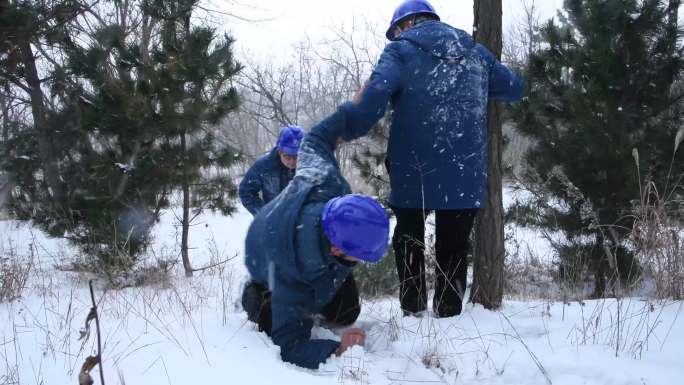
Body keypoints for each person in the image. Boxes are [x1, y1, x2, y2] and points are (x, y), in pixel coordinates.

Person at [338, 0, 524, 317]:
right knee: (453, 246)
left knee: (409, 239)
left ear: (406, 24)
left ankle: (412, 310)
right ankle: (448, 312)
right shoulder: (476, 51)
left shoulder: (400, 51)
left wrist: (344, 128)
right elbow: (513, 87)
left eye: (395, 30)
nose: (396, 36)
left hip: (413, 168)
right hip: (465, 171)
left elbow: (374, 97)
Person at [241, 111, 390, 369]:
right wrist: (338, 349)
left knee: (345, 312)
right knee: (270, 321)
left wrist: (355, 109)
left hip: (304, 232)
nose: (363, 261)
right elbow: (290, 346)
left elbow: (317, 140)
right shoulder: (295, 266)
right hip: (274, 252)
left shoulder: (331, 186)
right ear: (336, 247)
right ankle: (254, 293)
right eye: (360, 255)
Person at [239, 125, 304, 215]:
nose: (292, 161)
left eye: (296, 157)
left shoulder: (312, 166)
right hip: (275, 221)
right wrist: (264, 214)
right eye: (287, 157)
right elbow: (246, 192)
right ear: (279, 151)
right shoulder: (265, 166)